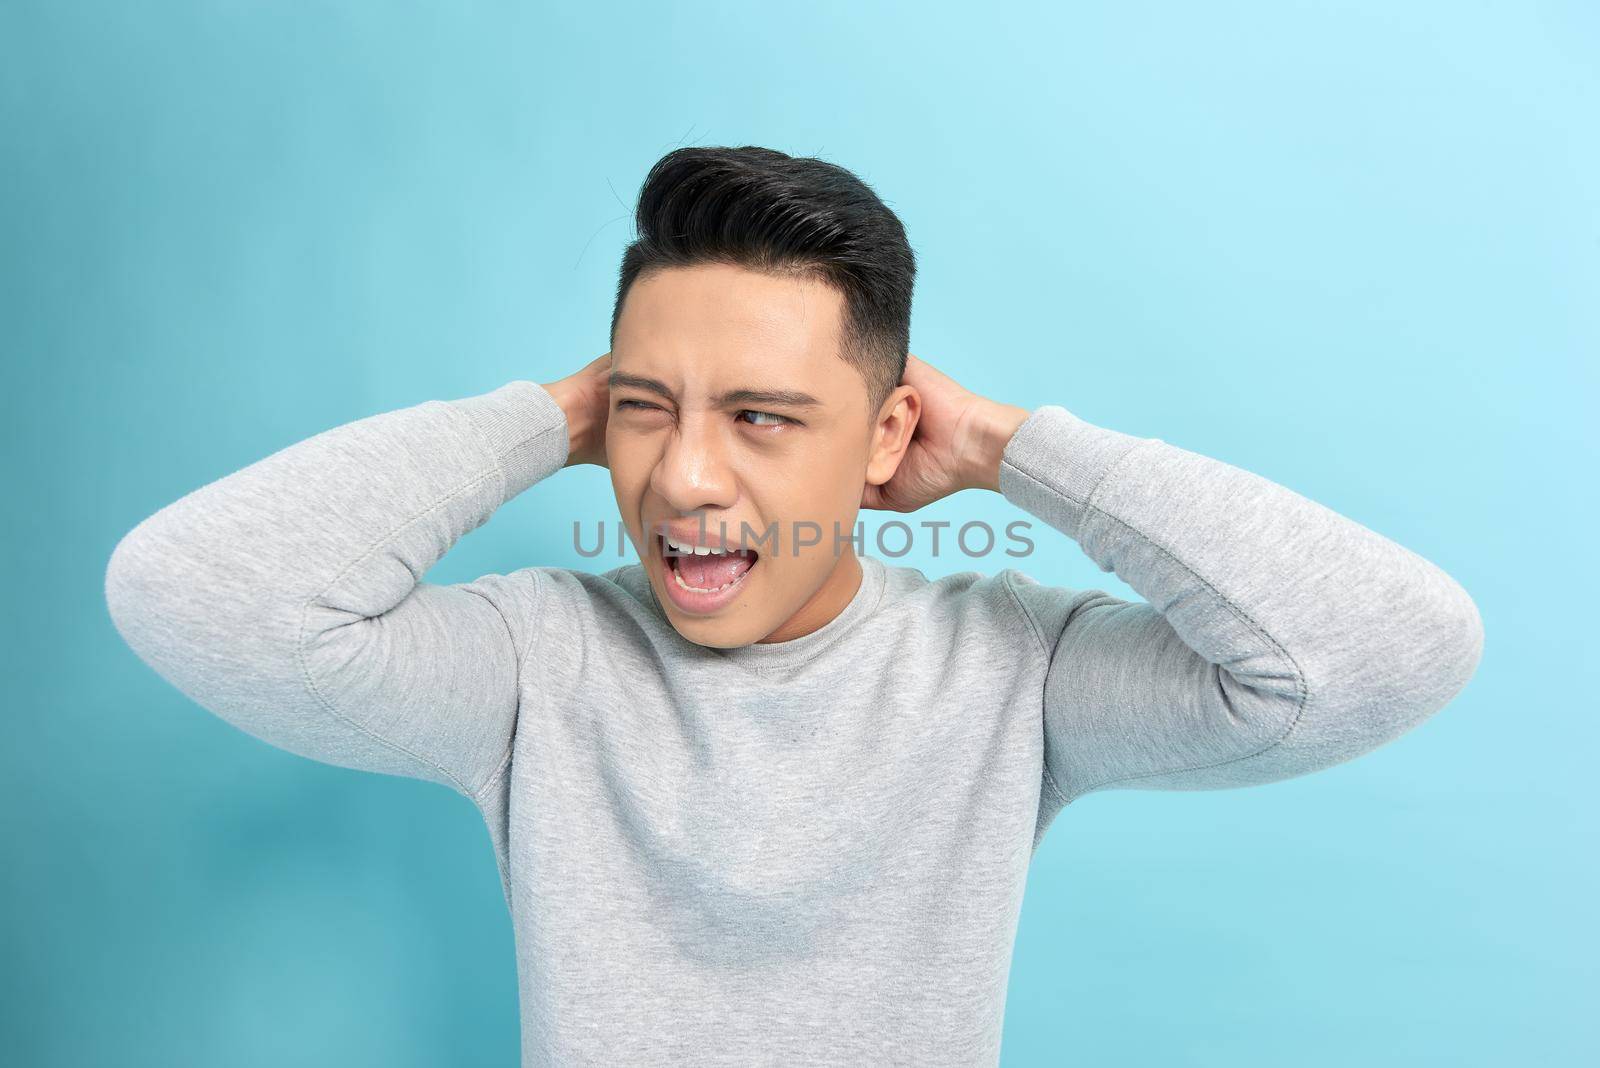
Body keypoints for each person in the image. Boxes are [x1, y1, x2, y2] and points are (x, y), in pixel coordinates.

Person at [104, 146, 1484, 1067]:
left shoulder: (1011, 670)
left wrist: (1016, 451)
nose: (685, 477)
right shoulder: (534, 665)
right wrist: (555, 415)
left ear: (886, 438)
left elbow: (1377, 652)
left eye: (762, 416)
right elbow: (199, 594)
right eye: (645, 414)